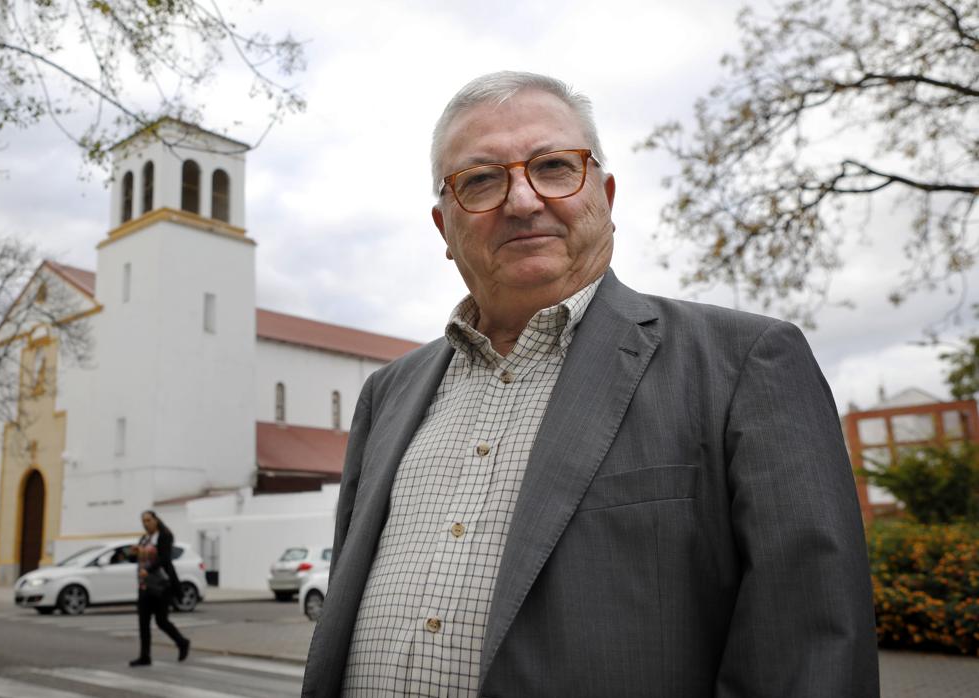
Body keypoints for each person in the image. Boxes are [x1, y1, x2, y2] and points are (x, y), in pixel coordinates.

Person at [302, 71, 878, 697]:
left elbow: (811, 652)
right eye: (481, 179)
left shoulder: (743, 365)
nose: (521, 201)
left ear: (604, 194)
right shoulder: (387, 394)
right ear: (444, 227)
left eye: (553, 166)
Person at [129, 510, 190, 667]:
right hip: (144, 585)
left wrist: (148, 569)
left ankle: (182, 642)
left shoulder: (165, 535)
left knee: (161, 621)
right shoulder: (145, 538)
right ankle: (144, 656)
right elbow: (139, 558)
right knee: (143, 622)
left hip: (162, 585)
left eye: (148, 520)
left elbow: (164, 558)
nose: (146, 523)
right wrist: (134, 552)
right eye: (143, 521)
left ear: (156, 520)